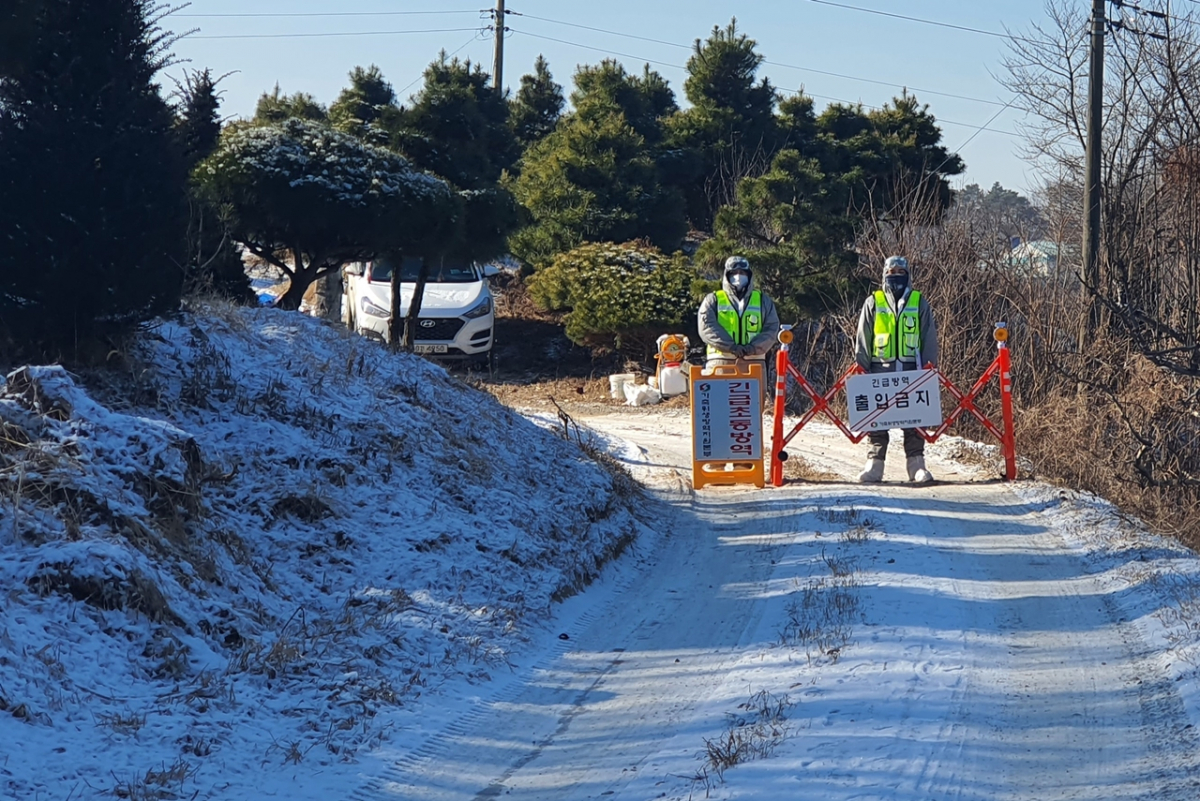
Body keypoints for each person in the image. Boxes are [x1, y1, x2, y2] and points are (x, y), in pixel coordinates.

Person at [854, 255, 939, 484]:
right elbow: (864, 336)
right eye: (892, 273)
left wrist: (930, 368)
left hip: (912, 370)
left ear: (908, 275)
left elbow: (928, 336)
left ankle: (916, 464)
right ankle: (874, 465)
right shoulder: (874, 301)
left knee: (913, 419)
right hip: (880, 370)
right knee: (877, 420)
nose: (896, 277)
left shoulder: (919, 302)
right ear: (884, 275)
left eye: (901, 273)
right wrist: (861, 368)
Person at [697, 256, 781, 372]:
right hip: (720, 362)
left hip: (754, 362)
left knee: (756, 391)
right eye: (734, 273)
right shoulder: (713, 300)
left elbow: (771, 328)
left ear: (749, 275)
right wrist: (731, 347)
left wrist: (753, 348)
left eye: (742, 272)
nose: (738, 276)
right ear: (727, 276)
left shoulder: (763, 300)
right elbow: (706, 327)